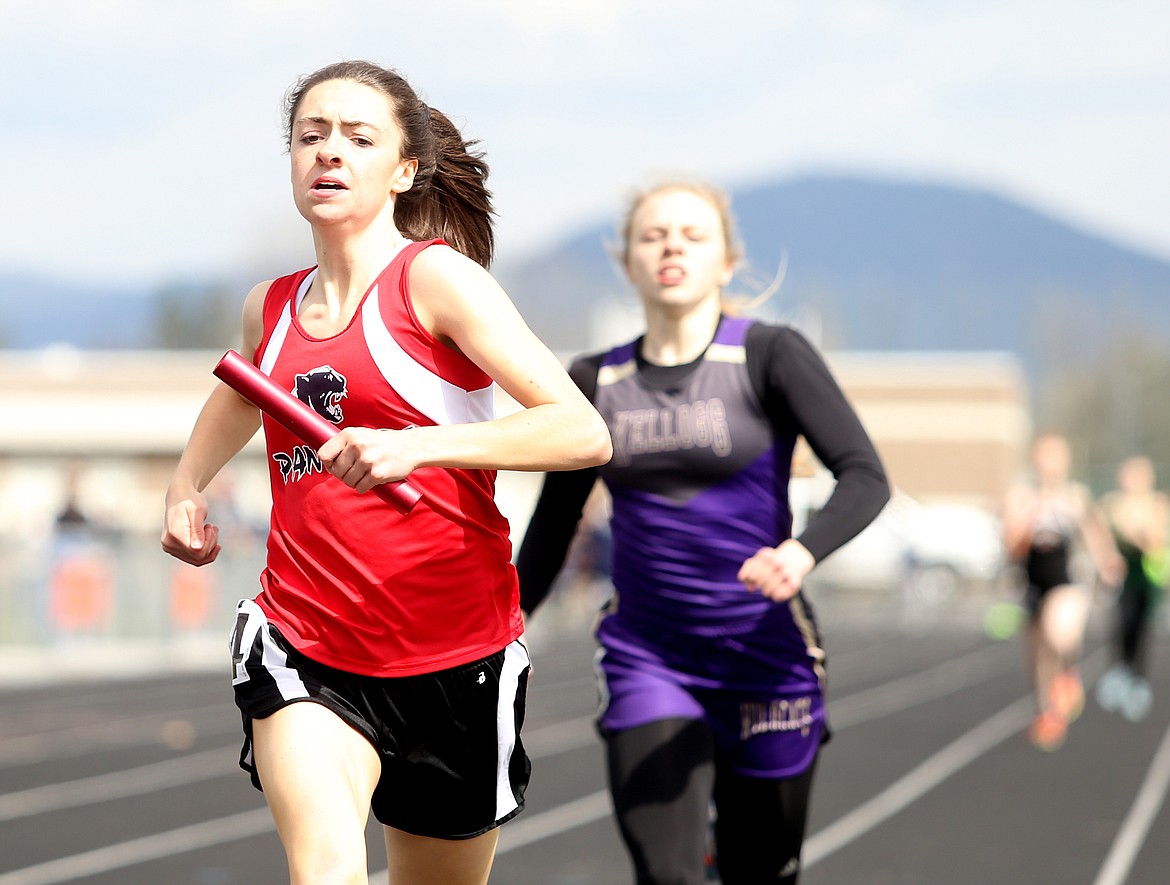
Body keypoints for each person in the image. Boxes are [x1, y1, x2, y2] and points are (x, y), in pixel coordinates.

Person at [160, 60, 611, 885]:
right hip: (307, 642)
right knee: (326, 870)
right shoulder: (272, 305)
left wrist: (418, 446)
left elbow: (582, 431)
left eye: (358, 138)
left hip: (455, 655)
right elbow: (239, 393)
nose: (329, 152)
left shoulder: (435, 280)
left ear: (404, 170)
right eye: (311, 135)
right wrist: (185, 484)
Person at [516, 179, 890, 885]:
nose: (671, 248)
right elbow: (552, 527)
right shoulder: (595, 381)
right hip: (648, 659)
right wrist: (497, 630)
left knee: (761, 871)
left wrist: (802, 552)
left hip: (765, 652)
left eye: (692, 235)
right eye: (653, 236)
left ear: (726, 261)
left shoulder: (771, 355)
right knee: (669, 875)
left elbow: (865, 475)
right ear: (628, 261)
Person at [1001, 432, 1122, 750]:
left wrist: (1107, 561)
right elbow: (1011, 545)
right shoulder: (1020, 496)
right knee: (1038, 654)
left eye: (1054, 456)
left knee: (1059, 633)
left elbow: (1095, 532)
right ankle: (1046, 711)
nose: (1047, 463)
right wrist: (1026, 518)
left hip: (1065, 579)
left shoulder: (1075, 495)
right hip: (1030, 581)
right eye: (1043, 456)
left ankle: (1069, 672)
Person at [1096, 456, 1170, 720]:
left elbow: (1156, 542)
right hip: (1123, 576)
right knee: (1123, 623)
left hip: (1148, 575)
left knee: (1143, 625)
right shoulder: (1112, 504)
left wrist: (1138, 533)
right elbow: (1101, 539)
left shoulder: (1158, 504)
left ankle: (1138, 678)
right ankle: (1122, 669)